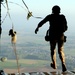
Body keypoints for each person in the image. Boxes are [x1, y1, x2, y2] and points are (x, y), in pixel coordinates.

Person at [35, 5, 68, 72]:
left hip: (53, 36)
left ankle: (54, 64)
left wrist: (37, 28)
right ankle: (63, 64)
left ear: (53, 11)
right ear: (59, 11)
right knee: (60, 50)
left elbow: (42, 22)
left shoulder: (50, 17)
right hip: (61, 36)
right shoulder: (62, 17)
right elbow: (66, 28)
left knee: (53, 50)